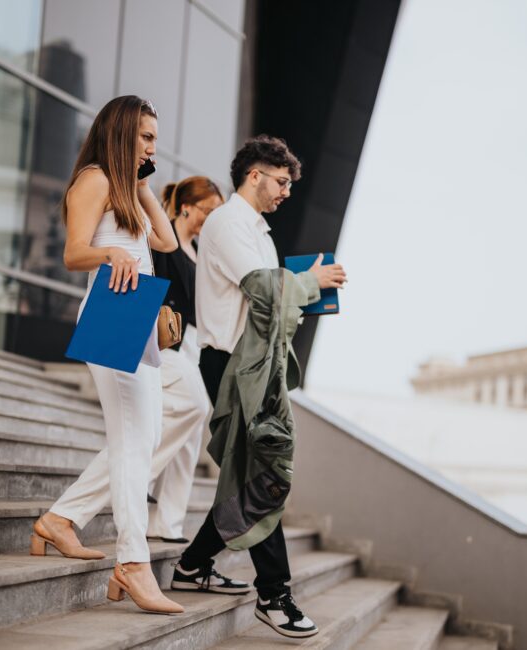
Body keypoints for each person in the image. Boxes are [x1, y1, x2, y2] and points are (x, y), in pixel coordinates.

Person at [168, 135, 347, 638]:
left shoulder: (258, 231)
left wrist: (304, 287)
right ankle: (275, 594)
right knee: (260, 475)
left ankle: (192, 565)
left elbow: (270, 303)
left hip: (252, 366)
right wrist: (313, 282)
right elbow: (266, 291)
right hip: (229, 364)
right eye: (282, 182)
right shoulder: (228, 224)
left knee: (252, 473)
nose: (287, 192)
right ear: (254, 175)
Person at [30, 95, 183, 615]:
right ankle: (132, 563)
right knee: (134, 442)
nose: (152, 146)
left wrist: (142, 182)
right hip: (111, 312)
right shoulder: (92, 179)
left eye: (155, 138)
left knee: (145, 437)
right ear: (120, 133)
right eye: (144, 136)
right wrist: (111, 251)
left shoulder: (124, 187)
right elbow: (75, 253)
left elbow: (166, 240)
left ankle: (60, 519)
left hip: (134, 314)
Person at [145, 177, 224, 545]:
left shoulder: (201, 253)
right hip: (167, 344)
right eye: (208, 210)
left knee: (191, 436)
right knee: (190, 409)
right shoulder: (164, 242)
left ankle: (168, 524)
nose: (211, 219)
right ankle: (137, 478)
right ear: (186, 206)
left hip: (193, 346)